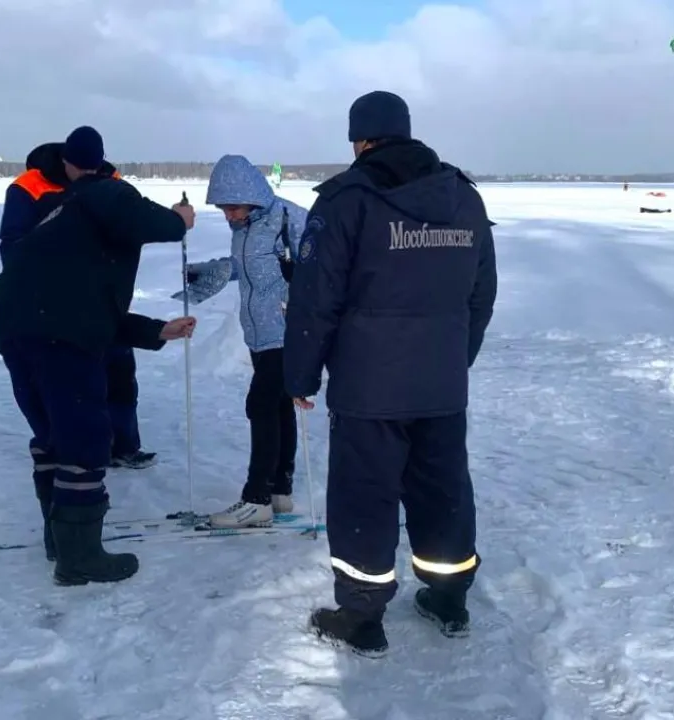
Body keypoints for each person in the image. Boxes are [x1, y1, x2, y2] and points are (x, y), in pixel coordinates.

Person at [283, 91, 498, 657]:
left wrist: (300, 376)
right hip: (441, 385)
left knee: (364, 497)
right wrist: (454, 356)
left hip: (368, 389)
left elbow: (314, 298)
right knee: (442, 492)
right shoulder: (463, 198)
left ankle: (361, 617)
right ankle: (449, 598)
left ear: (359, 139)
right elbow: (482, 294)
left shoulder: (347, 199)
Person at [0, 125, 197, 586]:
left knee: (51, 432)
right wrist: (181, 218)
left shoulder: (63, 219)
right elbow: (156, 224)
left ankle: (58, 541)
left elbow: (90, 309)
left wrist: (157, 330)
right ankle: (79, 558)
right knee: (84, 438)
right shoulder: (106, 195)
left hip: (15, 323)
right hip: (56, 333)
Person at [182, 154, 308, 529]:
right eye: (224, 210)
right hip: (258, 331)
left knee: (260, 404)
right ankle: (279, 491)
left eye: (233, 208)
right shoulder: (246, 227)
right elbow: (249, 268)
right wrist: (215, 270)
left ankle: (256, 499)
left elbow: (324, 264)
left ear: (251, 195)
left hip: (286, 329)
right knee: (279, 407)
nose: (229, 216)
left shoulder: (290, 219)